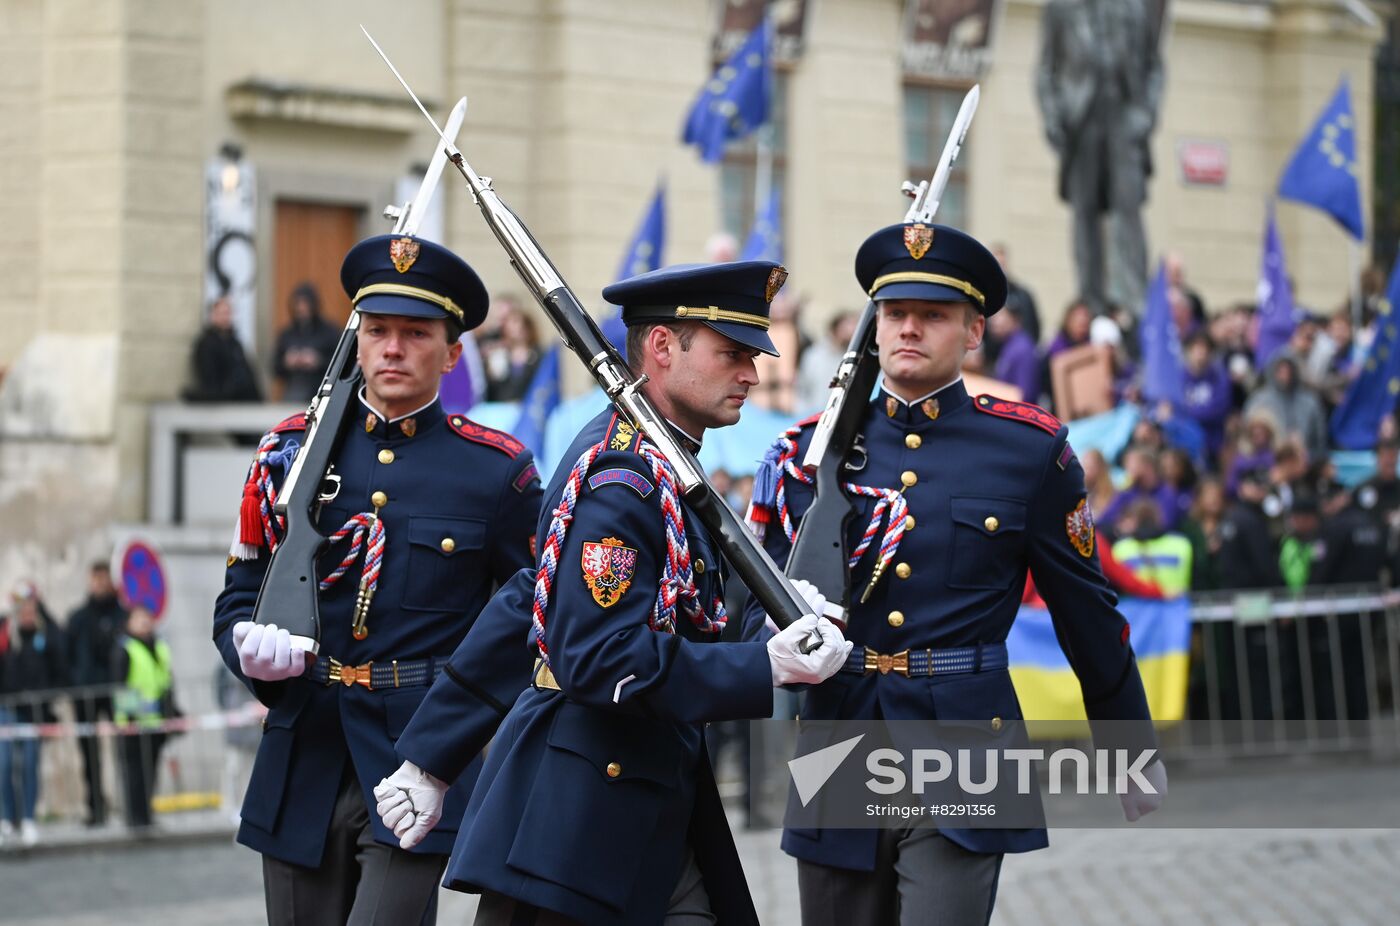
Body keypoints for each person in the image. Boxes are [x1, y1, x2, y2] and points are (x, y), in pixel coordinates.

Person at [376, 260, 851, 925]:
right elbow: (600, 656)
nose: (752, 372)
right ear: (662, 347)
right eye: (733, 353)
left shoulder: (664, 464)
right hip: (578, 819)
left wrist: (769, 626)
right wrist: (762, 666)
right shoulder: (620, 476)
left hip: (644, 796)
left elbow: (534, 600)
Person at [747, 221, 1165, 925]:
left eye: (932, 316)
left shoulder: (1028, 452)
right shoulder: (810, 455)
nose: (909, 329)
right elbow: (757, 599)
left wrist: (1128, 744)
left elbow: (1085, 609)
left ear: (973, 332)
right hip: (841, 735)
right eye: (894, 314)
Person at [211, 234, 543, 926]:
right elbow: (241, 591)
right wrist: (247, 648)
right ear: (356, 341)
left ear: (453, 355)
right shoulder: (290, 455)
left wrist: (453, 744)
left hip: (419, 755)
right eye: (378, 330)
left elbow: (527, 619)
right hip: (304, 749)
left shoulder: (496, 474)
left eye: (416, 334)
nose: (392, 348)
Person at [1036, 0, 1163, 316]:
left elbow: (1154, 66)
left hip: (1124, 117)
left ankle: (1135, 304)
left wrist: (1146, 115)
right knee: (1085, 215)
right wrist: (1053, 117)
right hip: (1082, 121)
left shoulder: (1135, 8)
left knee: (1128, 209)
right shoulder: (1061, 8)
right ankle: (1090, 302)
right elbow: (1045, 69)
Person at [0, 582, 66, 847]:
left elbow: (60, 655)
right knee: (4, 765)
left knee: (28, 764)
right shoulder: (7, 636)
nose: (27, 615)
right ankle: (7, 818)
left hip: (34, 712)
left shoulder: (46, 637)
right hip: (6, 708)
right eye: (22, 610)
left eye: (31, 610)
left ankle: (28, 818)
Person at [65, 561, 128, 827]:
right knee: (89, 753)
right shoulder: (78, 618)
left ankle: (131, 805)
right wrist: (75, 681)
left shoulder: (122, 615)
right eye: (96, 579)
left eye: (104, 579)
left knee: (128, 748)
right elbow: (66, 652)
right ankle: (96, 807)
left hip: (117, 690)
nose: (100, 584)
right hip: (86, 692)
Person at [113, 605, 176, 829]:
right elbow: (121, 686)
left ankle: (146, 815)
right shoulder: (125, 648)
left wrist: (172, 712)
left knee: (150, 771)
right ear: (129, 623)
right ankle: (135, 818)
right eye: (139, 619)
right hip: (131, 723)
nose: (144, 623)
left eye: (147, 618)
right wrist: (130, 717)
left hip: (154, 722)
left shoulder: (159, 647)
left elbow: (166, 683)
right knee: (134, 773)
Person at [183, 295, 263, 403]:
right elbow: (208, 376)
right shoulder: (206, 343)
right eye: (221, 313)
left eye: (227, 313)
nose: (225, 317)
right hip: (218, 401)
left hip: (240, 400)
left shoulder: (235, 343)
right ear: (213, 316)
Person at [272, 282, 340, 403]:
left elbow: (341, 364)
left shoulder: (330, 332)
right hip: (293, 392)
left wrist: (318, 361)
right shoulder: (287, 334)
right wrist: (287, 361)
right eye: (298, 304)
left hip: (322, 393)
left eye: (305, 303)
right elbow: (275, 367)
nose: (301, 308)